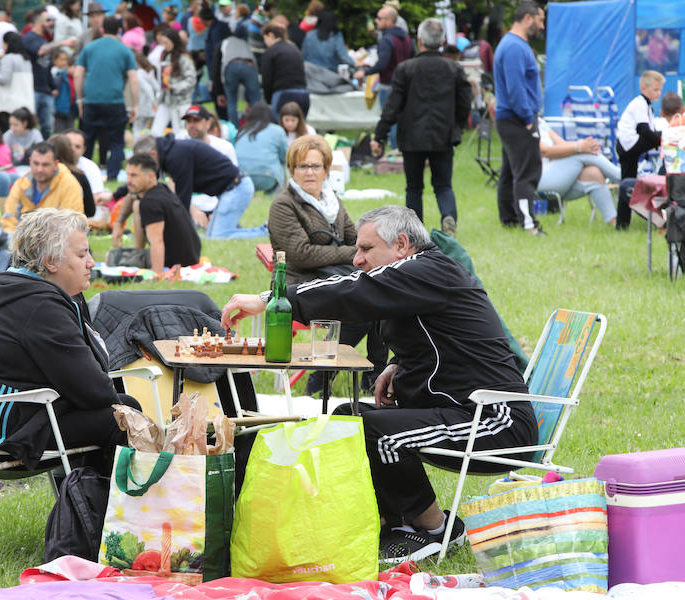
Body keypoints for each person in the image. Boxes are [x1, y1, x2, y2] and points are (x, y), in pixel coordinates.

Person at [220, 204, 538, 563]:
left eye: (366, 249)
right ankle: (394, 523)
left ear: (402, 245)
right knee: (347, 417)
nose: (356, 260)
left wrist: (271, 299)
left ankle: (436, 531)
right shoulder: (421, 275)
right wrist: (397, 365)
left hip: (497, 421)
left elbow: (354, 291)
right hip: (461, 409)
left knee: (373, 430)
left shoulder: (428, 269)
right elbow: (444, 336)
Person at [0, 208, 141, 473]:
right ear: (51, 262)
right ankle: (102, 508)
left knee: (123, 409)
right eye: (81, 254)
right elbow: (97, 391)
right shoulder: (39, 306)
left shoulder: (26, 292)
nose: (91, 263)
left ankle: (88, 504)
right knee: (124, 417)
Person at [267, 134, 386, 395]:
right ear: (292, 169)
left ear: (326, 169)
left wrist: (363, 249)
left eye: (316, 166)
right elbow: (301, 255)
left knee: (383, 296)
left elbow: (357, 239)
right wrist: (350, 252)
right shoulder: (283, 205)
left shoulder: (332, 202)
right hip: (298, 284)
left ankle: (375, 377)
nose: (309, 172)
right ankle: (320, 378)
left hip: (335, 276)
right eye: (302, 166)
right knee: (362, 305)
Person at [373, 18, 471, 235]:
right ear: (443, 41)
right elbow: (465, 102)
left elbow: (392, 106)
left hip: (412, 137)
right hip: (443, 135)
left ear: (419, 40)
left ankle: (415, 232)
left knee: (414, 187)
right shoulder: (453, 68)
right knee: (444, 185)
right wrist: (457, 126)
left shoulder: (405, 69)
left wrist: (379, 135)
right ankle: (448, 217)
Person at [132, 134, 265, 239]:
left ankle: (266, 232)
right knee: (211, 235)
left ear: (153, 154)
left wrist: (176, 229)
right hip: (230, 190)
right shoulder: (171, 152)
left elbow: (183, 197)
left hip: (237, 188)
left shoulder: (176, 156)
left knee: (219, 237)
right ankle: (263, 230)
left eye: (144, 164)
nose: (144, 169)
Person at [493, 0, 545, 235]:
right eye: (540, 20)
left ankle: (510, 218)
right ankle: (528, 223)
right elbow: (515, 88)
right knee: (527, 171)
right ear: (528, 18)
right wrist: (527, 118)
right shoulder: (514, 47)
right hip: (517, 118)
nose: (542, 26)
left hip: (509, 117)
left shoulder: (513, 44)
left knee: (510, 171)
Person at [74, 15, 139, 181]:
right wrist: (135, 105)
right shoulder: (124, 50)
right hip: (115, 101)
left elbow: (78, 74)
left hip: (91, 101)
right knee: (117, 141)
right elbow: (133, 78)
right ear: (119, 30)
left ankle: (84, 175)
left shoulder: (89, 48)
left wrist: (80, 99)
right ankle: (112, 175)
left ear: (102, 29)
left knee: (87, 139)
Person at [125, 153, 202, 273]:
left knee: (111, 256)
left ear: (150, 176)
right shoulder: (162, 189)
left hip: (173, 262)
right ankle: (137, 253)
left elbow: (157, 241)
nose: (128, 181)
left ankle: (140, 258)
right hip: (191, 257)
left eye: (134, 175)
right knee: (136, 205)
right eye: (128, 175)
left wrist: (157, 274)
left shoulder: (150, 202)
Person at [537, 119, 621, 226]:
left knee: (593, 173)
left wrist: (584, 144)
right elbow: (545, 152)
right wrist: (580, 147)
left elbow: (562, 144)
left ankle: (616, 223)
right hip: (538, 179)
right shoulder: (522, 123)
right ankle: (623, 177)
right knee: (583, 152)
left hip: (557, 178)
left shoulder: (540, 122)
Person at [353, 5, 413, 151]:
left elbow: (383, 63)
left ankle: (394, 151)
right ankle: (401, 149)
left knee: (390, 119)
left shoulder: (387, 39)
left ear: (389, 20)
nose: (376, 21)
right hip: (407, 84)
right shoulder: (406, 37)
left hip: (389, 84)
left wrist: (366, 72)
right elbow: (413, 56)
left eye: (379, 18)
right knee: (403, 119)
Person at [614, 70, 665, 230]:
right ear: (644, 88)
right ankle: (623, 222)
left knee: (627, 181)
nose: (659, 93)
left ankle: (622, 223)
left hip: (628, 145)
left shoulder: (645, 105)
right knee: (627, 181)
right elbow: (645, 132)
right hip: (628, 146)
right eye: (655, 90)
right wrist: (664, 140)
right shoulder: (640, 104)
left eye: (660, 90)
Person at [1, 141, 84, 231]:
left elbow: (71, 225)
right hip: (23, 240)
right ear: (30, 161)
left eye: (45, 165)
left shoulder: (69, 184)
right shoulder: (21, 183)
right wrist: (14, 241)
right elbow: (8, 219)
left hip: (58, 241)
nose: (39, 169)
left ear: (55, 164)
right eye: (36, 163)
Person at [179, 103, 238, 227]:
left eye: (196, 121)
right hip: (188, 207)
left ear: (208, 123)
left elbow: (234, 184)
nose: (192, 125)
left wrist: (219, 211)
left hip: (217, 205)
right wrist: (193, 210)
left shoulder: (224, 147)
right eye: (189, 121)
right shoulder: (179, 146)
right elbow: (173, 185)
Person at [23, 9, 77, 139]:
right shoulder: (29, 37)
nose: (51, 23)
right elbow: (40, 51)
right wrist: (62, 43)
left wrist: (52, 86)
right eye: (47, 20)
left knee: (47, 126)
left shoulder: (44, 39)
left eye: (52, 20)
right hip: (33, 89)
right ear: (38, 21)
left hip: (46, 90)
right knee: (31, 124)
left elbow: (46, 67)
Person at [150, 27, 197, 137]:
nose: (164, 46)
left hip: (180, 102)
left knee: (180, 133)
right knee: (156, 131)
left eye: (166, 43)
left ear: (174, 41)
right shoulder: (166, 56)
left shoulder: (184, 58)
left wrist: (174, 87)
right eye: (163, 43)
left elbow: (191, 80)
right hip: (166, 100)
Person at [235, 101, 288, 193]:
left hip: (242, 178)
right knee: (282, 164)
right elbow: (285, 157)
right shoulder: (277, 130)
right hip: (268, 178)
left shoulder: (241, 130)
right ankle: (278, 195)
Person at [260, 22, 309, 119]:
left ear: (270, 35)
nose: (265, 42)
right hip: (303, 94)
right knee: (300, 128)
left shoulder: (271, 51)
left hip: (284, 94)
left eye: (265, 38)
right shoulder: (294, 48)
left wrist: (268, 99)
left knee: (281, 128)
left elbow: (267, 78)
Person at [213, 28, 261, 125]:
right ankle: (260, 125)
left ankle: (234, 130)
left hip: (231, 65)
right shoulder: (244, 42)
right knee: (256, 100)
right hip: (249, 65)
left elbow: (216, 67)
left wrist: (219, 92)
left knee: (231, 101)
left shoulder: (223, 43)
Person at [0, 32, 36, 132]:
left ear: (7, 44)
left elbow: (4, 79)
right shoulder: (26, 59)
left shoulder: (8, 58)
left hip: (9, 106)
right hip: (26, 105)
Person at [47, 133, 96, 219]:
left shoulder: (39, 175)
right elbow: (90, 210)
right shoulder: (79, 176)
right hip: (72, 224)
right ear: (69, 151)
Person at [64, 128, 111, 208]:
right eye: (69, 145)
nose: (72, 149)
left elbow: (96, 198)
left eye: (77, 146)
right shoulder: (50, 164)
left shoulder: (90, 167)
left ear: (84, 150)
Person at [51, 49, 77, 133]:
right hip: (60, 109)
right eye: (74, 67)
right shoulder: (61, 75)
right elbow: (55, 86)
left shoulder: (75, 79)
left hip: (71, 109)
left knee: (70, 132)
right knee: (59, 132)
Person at [134, 51, 160, 135]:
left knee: (137, 129)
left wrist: (153, 102)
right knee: (146, 130)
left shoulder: (138, 73)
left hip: (141, 106)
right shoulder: (148, 73)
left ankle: (137, 146)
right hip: (149, 107)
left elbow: (147, 88)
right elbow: (157, 87)